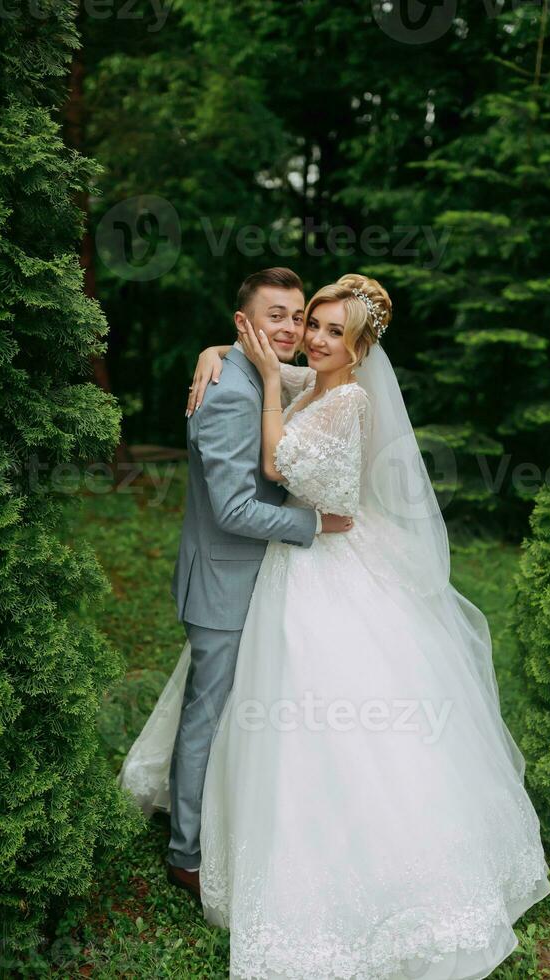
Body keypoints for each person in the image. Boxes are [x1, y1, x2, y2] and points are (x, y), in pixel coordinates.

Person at [120, 273, 550, 980]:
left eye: (322, 327)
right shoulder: (285, 381)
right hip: (267, 562)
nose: (307, 335)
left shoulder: (339, 394)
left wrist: (259, 372)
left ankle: (347, 851)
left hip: (315, 563)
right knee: (227, 710)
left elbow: (281, 456)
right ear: (255, 322)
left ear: (356, 346)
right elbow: (242, 483)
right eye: (295, 321)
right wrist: (218, 352)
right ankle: (191, 851)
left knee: (323, 716)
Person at [118, 267, 352, 900]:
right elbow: (233, 510)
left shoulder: (263, 374)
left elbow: (340, 370)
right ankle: (185, 853)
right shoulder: (226, 392)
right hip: (224, 580)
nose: (292, 328)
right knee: (208, 715)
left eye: (298, 317)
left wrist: (216, 348)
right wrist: (315, 524)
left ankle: (239, 820)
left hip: (269, 578)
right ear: (245, 322)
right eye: (275, 315)